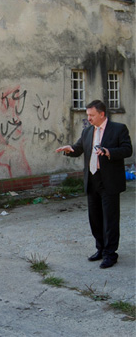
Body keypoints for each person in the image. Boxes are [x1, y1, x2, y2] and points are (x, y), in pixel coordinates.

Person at [56, 100, 132, 269]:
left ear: (102, 114)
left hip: (110, 182)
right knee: (95, 219)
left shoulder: (119, 129)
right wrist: (70, 149)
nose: (88, 118)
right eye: (87, 115)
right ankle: (100, 249)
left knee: (110, 220)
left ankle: (110, 254)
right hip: (92, 180)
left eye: (91, 115)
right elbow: (78, 148)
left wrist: (108, 151)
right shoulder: (87, 131)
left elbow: (128, 150)